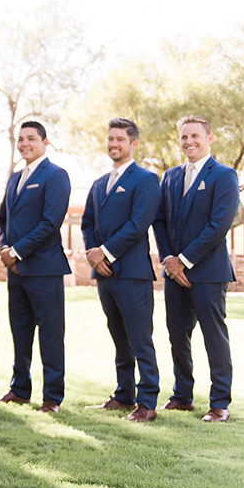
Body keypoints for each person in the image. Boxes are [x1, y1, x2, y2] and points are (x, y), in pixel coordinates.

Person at [153, 114, 238, 423]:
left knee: (214, 338)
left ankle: (219, 404)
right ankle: (182, 396)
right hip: (174, 273)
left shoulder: (224, 175)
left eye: (195, 136)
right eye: (184, 137)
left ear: (209, 138)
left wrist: (184, 260)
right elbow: (159, 221)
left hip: (208, 272)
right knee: (177, 335)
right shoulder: (170, 176)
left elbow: (218, 226)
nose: (189, 141)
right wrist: (169, 261)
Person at [81, 118, 161, 422]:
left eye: (120, 140)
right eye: (110, 139)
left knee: (140, 339)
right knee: (118, 337)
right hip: (104, 275)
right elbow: (88, 222)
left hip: (133, 274)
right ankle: (124, 395)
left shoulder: (145, 180)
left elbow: (138, 225)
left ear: (133, 143)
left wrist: (107, 251)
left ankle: (148, 403)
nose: (114, 144)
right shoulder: (100, 183)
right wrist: (94, 254)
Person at [0, 121, 71, 413]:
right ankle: (20, 388)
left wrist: (16, 251)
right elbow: (3, 220)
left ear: (45, 142)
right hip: (15, 271)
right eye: (20, 139)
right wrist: (4, 248)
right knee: (20, 330)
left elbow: (50, 223)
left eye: (31, 138)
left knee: (51, 335)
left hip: (45, 270)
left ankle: (52, 397)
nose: (24, 143)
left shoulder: (56, 175)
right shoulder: (15, 177)